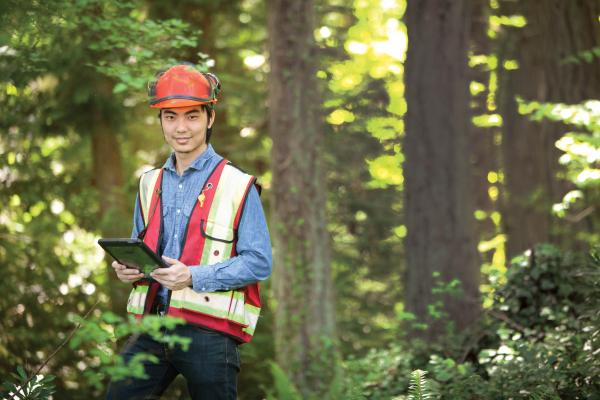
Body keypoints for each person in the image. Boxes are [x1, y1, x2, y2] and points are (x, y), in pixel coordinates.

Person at [106, 64, 272, 399]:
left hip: (210, 334)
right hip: (153, 324)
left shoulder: (238, 186)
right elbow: (143, 246)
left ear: (210, 118)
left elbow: (258, 263)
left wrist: (192, 276)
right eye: (170, 117)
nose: (181, 128)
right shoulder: (149, 182)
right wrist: (130, 269)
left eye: (192, 116)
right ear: (161, 121)